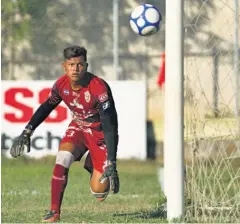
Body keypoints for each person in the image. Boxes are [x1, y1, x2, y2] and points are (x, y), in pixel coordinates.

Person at [10, 45, 120, 223]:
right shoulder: (61, 85)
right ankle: (54, 212)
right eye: (71, 65)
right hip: (78, 127)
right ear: (64, 66)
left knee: (99, 192)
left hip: (100, 134)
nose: (76, 69)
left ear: (86, 65)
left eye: (80, 65)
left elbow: (110, 127)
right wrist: (27, 130)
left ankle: (92, 165)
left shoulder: (99, 88)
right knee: (62, 158)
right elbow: (46, 106)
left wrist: (112, 163)